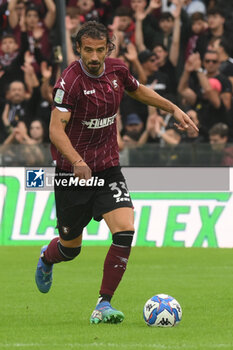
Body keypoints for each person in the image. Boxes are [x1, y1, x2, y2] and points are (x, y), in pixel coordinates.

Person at [35, 21, 198, 325]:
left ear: (108, 48)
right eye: (87, 50)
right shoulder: (69, 81)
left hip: (108, 168)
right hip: (73, 175)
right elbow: (55, 131)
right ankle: (47, 257)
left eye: (100, 50)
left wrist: (172, 108)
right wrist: (76, 160)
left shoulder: (117, 70)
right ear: (78, 49)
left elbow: (139, 91)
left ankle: (103, 304)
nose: (94, 57)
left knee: (125, 229)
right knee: (71, 249)